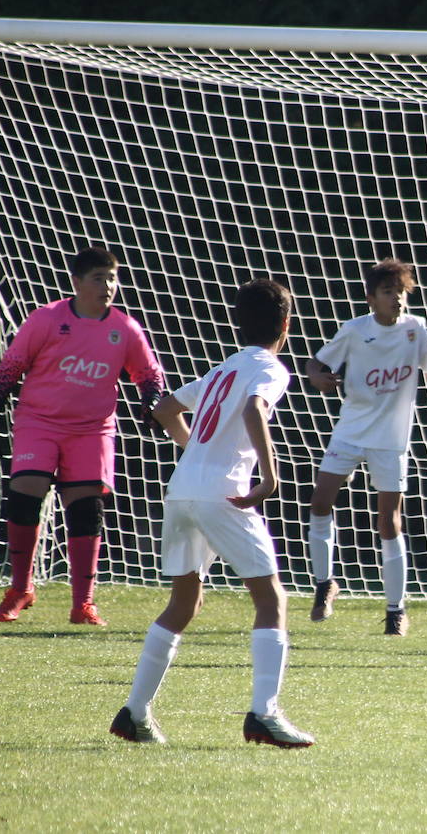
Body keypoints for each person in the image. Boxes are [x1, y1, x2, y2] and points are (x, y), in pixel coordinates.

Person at [109, 278, 314, 747]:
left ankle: (134, 713)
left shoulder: (225, 367)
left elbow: (163, 409)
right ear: (286, 323)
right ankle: (264, 714)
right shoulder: (270, 368)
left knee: (184, 604)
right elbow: (254, 411)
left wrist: (196, 450)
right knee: (271, 599)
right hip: (223, 494)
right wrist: (269, 474)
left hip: (183, 489)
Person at [0, 245, 165, 626]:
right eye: (98, 278)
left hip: (92, 430)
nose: (107, 286)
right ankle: (21, 588)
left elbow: (149, 375)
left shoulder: (124, 328)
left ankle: (82, 605)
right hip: (39, 422)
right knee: (26, 493)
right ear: (76, 282)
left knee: (86, 510)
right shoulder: (47, 319)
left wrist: (149, 402)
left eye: (112, 278)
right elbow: (10, 368)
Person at [304, 259, 427, 632]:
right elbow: (315, 365)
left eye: (401, 292)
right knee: (320, 501)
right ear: (371, 298)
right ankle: (325, 584)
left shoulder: (415, 328)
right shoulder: (354, 331)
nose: (397, 299)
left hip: (390, 439)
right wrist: (320, 380)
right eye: (388, 292)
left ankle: (395, 610)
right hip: (351, 431)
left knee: (389, 522)